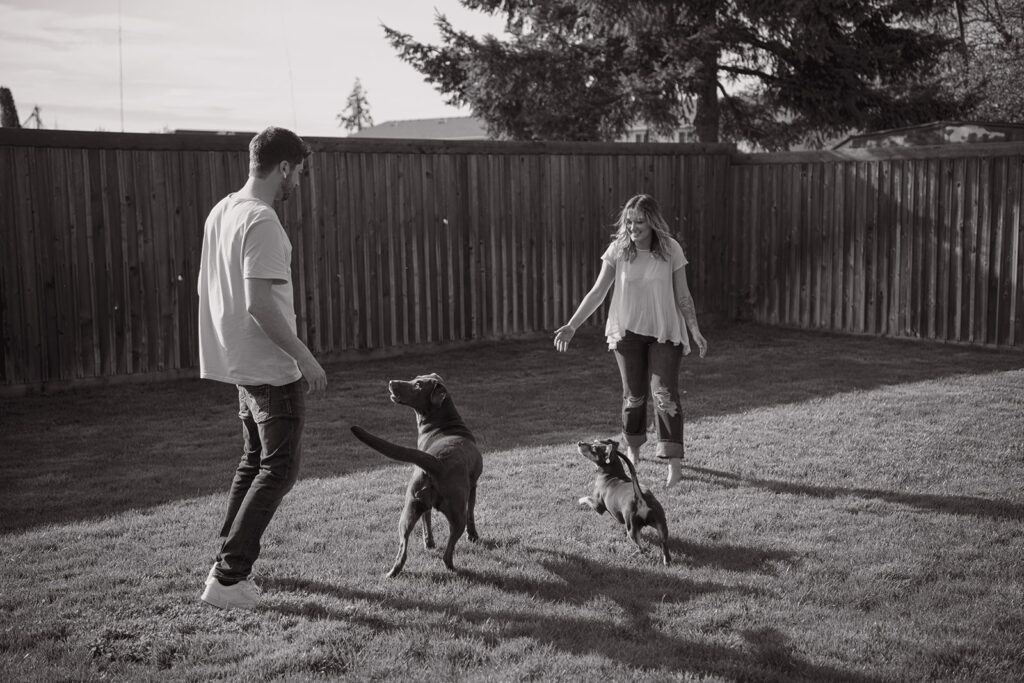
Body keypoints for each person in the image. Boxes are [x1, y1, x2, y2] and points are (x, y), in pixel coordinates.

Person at [197, 126, 327, 609]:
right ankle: (229, 579)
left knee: (254, 463)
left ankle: (223, 565)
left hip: (240, 363)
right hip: (271, 367)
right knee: (279, 470)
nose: (300, 182)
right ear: (285, 167)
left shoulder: (222, 210)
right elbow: (260, 305)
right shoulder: (263, 220)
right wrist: (305, 357)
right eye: (301, 172)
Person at [554, 193, 707, 487]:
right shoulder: (619, 250)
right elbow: (598, 292)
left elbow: (683, 295)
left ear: (652, 222)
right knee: (634, 395)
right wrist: (572, 325)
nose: (633, 227)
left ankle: (674, 463)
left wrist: (694, 329)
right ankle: (633, 449)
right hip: (628, 335)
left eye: (639, 221)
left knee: (664, 394)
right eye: (629, 221)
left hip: (665, 332)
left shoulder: (671, 249)